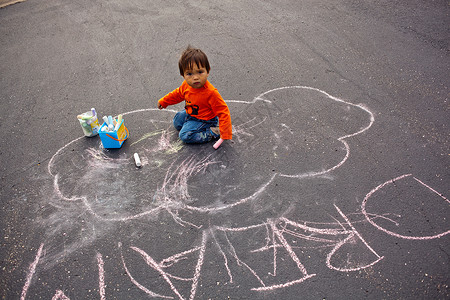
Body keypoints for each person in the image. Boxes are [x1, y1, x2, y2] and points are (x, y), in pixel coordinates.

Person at [157, 46, 232, 145]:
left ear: (207, 71)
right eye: (189, 74)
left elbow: (223, 111)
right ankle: (195, 124)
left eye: (200, 72)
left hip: (205, 119)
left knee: (185, 135)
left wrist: (225, 132)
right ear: (183, 75)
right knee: (177, 122)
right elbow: (178, 94)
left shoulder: (211, 92)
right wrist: (164, 101)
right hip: (191, 113)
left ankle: (212, 132)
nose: (195, 77)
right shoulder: (186, 85)